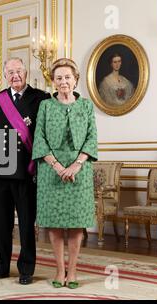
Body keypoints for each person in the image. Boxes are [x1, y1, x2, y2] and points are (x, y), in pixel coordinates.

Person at [32, 58, 98, 289]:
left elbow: (92, 138)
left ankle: (74, 270)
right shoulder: (46, 106)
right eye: (58, 77)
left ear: (75, 79)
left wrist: (76, 165)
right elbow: (38, 139)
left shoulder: (87, 106)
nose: (63, 82)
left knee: (76, 223)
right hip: (51, 171)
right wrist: (58, 166)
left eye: (67, 77)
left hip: (80, 171)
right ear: (53, 80)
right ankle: (60, 271)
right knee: (55, 223)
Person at [0, 57, 50, 285]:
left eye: (19, 71)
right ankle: (0, 266)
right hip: (1, 169)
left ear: (26, 72)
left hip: (27, 171)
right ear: (5, 75)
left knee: (25, 223)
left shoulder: (41, 98)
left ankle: (26, 269)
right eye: (10, 72)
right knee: (0, 223)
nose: (15, 75)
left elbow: (44, 134)